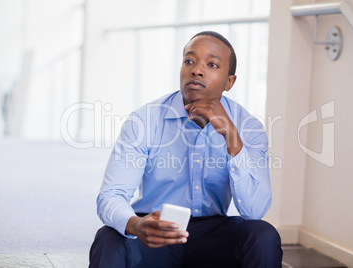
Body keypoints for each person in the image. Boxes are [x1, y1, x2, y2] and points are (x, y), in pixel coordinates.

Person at [89, 31, 282, 267]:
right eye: (189, 61)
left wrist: (232, 137)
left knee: (263, 234)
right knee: (109, 237)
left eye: (211, 64)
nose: (196, 70)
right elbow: (111, 195)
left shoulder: (248, 127)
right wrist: (136, 225)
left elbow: (254, 211)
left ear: (229, 82)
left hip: (214, 234)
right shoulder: (145, 120)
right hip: (154, 230)